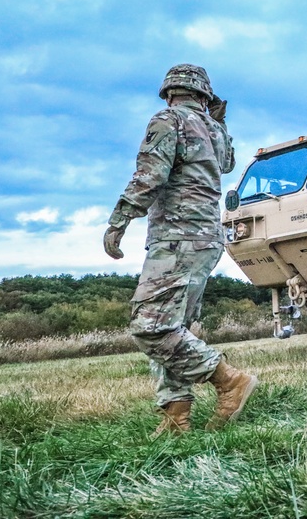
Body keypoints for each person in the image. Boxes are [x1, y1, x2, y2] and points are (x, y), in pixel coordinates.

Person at [104, 64, 258, 435]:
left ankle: (229, 380)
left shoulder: (167, 119)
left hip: (177, 235)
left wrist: (120, 219)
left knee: (151, 325)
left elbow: (150, 175)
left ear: (169, 93)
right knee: (175, 327)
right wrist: (219, 123)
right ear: (205, 97)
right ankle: (176, 415)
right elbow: (227, 163)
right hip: (206, 237)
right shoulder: (215, 131)